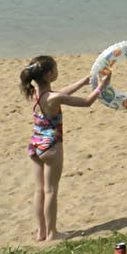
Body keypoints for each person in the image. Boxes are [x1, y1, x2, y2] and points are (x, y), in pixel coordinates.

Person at [19, 55, 102, 243]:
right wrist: (101, 87)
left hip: (35, 145)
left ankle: (41, 232)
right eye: (55, 69)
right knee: (50, 191)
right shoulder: (54, 98)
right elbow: (87, 102)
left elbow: (62, 92)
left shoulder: (36, 93)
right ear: (49, 75)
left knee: (39, 191)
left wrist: (83, 81)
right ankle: (52, 233)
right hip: (51, 147)